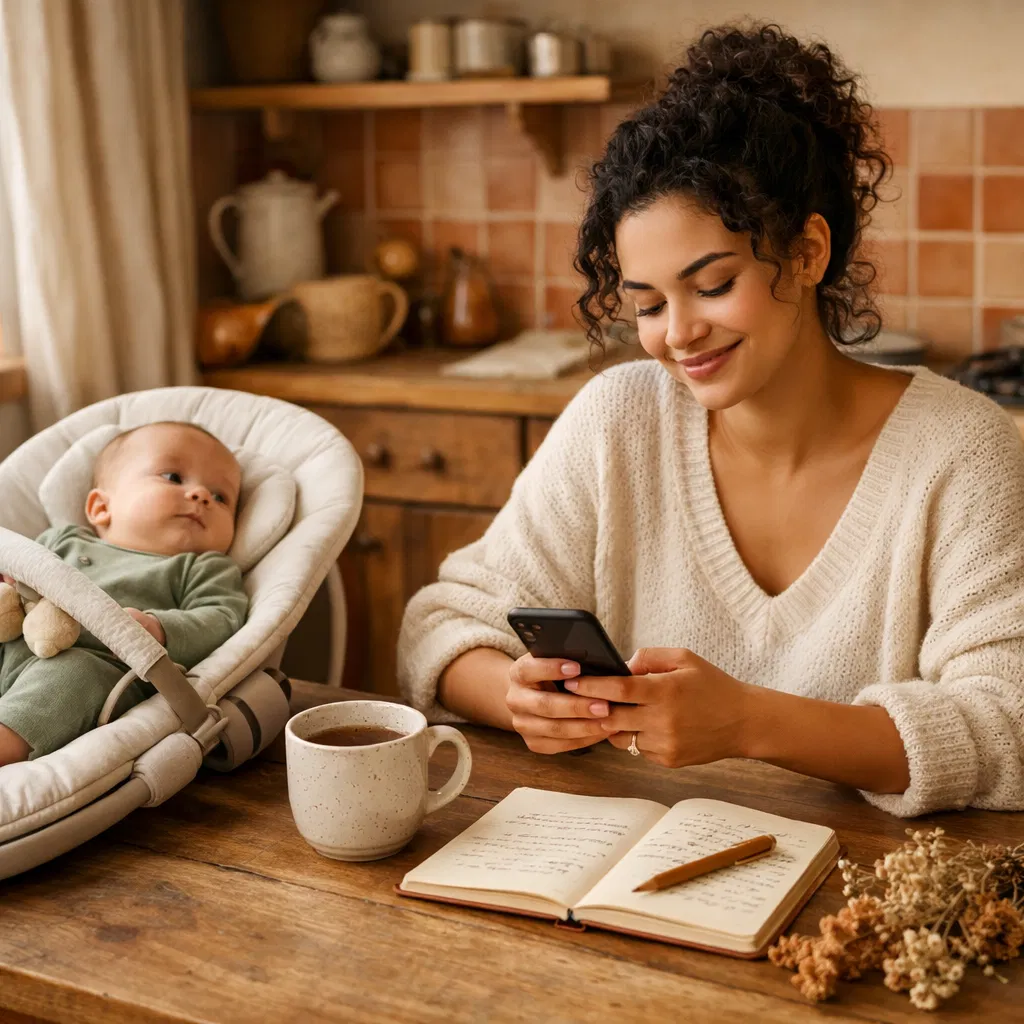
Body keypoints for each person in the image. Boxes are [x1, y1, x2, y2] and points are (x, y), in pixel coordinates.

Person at [397, 24, 1024, 817]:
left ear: (806, 252)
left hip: (859, 896)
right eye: (650, 304)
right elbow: (440, 627)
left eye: (714, 283)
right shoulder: (617, 420)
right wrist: (514, 696)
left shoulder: (961, 450)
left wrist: (749, 722)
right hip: (628, 881)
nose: (679, 333)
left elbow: (1010, 726)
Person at [0, 422, 249, 764]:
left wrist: (158, 627)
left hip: (98, 666)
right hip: (15, 643)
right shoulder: (63, 539)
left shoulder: (202, 567)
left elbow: (223, 618)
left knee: (75, 676)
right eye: (174, 478)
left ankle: (6, 741)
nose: (202, 495)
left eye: (221, 497)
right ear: (102, 508)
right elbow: (19, 574)